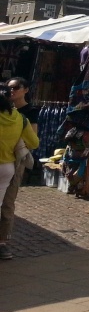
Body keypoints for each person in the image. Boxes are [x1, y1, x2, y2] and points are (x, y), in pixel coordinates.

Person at [1, 77, 40, 256]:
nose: (13, 91)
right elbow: (34, 142)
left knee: (7, 203)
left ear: (26, 89)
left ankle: (3, 242)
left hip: (14, 163)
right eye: (10, 89)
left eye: (16, 87)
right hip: (8, 165)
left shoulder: (29, 112)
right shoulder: (19, 118)